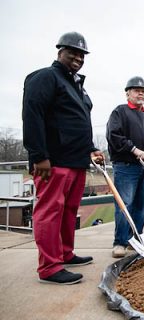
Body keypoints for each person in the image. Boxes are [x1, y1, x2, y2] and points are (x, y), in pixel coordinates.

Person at [22, 31, 104, 285]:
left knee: (69, 211)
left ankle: (65, 253)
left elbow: (78, 122)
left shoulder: (76, 84)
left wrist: (91, 148)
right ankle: (49, 267)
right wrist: (39, 155)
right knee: (50, 211)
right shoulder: (45, 77)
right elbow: (32, 114)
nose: (78, 57)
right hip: (53, 161)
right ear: (60, 52)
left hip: (77, 160)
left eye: (82, 54)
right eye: (73, 52)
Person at [106, 77, 144, 258]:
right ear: (128, 93)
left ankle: (135, 239)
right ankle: (120, 242)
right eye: (136, 90)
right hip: (126, 166)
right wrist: (135, 150)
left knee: (142, 203)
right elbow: (114, 136)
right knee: (125, 203)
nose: (141, 93)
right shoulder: (120, 112)